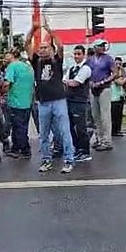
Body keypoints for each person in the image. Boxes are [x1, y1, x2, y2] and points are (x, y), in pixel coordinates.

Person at [25, 21, 75, 173]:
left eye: (45, 47)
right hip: (43, 102)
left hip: (59, 101)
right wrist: (33, 29)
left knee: (64, 131)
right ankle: (46, 160)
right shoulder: (36, 62)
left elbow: (60, 46)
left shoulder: (56, 61)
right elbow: (26, 43)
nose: (42, 50)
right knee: (44, 134)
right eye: (40, 48)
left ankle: (68, 160)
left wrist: (49, 30)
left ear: (51, 50)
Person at [2, 49, 35, 159]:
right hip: (27, 100)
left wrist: (0, 92)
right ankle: (16, 148)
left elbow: (7, 83)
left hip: (16, 101)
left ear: (12, 56)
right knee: (22, 126)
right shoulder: (27, 66)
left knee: (18, 126)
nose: (5, 58)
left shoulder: (12, 66)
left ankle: (24, 149)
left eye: (7, 55)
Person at [63, 45, 93, 162]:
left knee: (80, 128)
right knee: (70, 127)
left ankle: (85, 151)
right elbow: (64, 80)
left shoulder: (86, 69)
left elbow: (76, 82)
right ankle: (77, 149)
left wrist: (67, 82)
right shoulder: (71, 68)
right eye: (75, 54)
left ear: (83, 54)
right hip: (69, 100)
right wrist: (67, 82)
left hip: (80, 101)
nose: (76, 56)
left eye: (79, 54)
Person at [86, 39, 116, 151]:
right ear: (95, 47)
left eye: (103, 46)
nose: (102, 47)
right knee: (96, 116)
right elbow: (86, 72)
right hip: (93, 88)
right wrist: (90, 82)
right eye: (100, 46)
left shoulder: (108, 59)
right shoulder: (90, 60)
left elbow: (115, 73)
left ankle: (107, 141)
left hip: (104, 88)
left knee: (105, 116)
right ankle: (99, 138)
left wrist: (103, 81)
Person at [110, 57, 126, 137]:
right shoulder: (112, 73)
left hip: (120, 96)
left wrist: (122, 69)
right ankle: (113, 131)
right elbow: (119, 82)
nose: (118, 65)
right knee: (114, 116)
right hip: (113, 98)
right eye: (116, 64)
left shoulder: (121, 72)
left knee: (119, 115)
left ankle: (118, 130)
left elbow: (125, 77)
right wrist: (123, 79)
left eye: (120, 64)